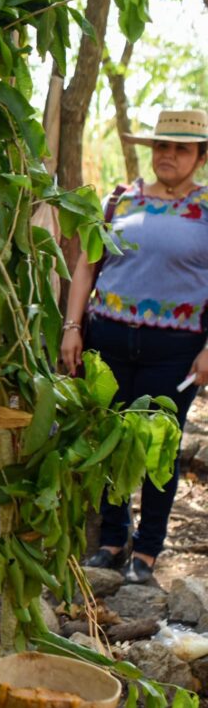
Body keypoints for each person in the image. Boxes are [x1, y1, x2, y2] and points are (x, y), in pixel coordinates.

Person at [60, 108, 208, 586]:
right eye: (160, 146)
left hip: (176, 350)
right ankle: (110, 540)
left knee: (158, 447)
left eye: (180, 148)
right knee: (110, 438)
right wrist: (72, 326)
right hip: (108, 339)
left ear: (199, 157)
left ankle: (147, 551)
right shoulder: (119, 201)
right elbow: (87, 265)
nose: (167, 155)